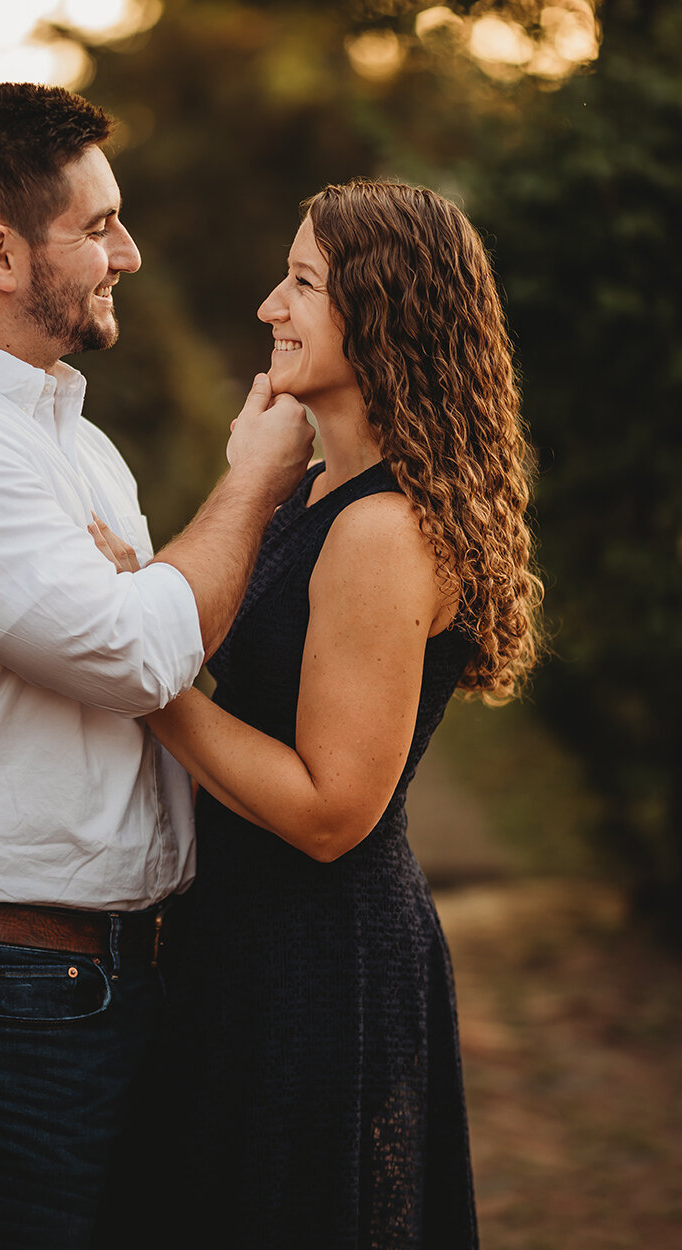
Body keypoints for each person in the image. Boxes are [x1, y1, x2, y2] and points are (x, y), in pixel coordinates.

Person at [0, 82, 314, 1250]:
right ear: (0, 255)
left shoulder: (74, 441)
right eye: (98, 225)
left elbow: (154, 638)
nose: (129, 253)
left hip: (97, 982)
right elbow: (149, 647)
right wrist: (253, 477)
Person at [94, 178, 543, 1247]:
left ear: (380, 311)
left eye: (300, 282)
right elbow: (208, 639)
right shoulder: (306, 493)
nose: (269, 306)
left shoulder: (382, 531)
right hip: (238, 939)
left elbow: (330, 806)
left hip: (314, 961)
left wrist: (148, 685)